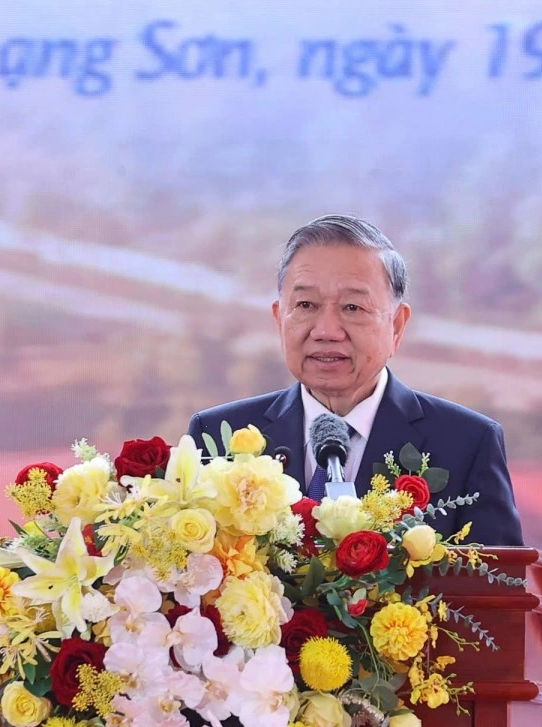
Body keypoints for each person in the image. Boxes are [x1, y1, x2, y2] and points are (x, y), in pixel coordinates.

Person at [187, 215, 522, 546]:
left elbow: (500, 579)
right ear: (279, 318)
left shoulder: (466, 444)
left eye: (352, 307)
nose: (326, 331)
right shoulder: (217, 437)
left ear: (396, 326)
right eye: (306, 304)